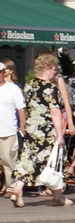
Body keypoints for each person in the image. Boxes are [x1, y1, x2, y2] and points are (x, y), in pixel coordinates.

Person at [8, 51, 73, 207]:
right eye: (54, 69)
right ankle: (58, 197)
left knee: (28, 159)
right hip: (45, 129)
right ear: (48, 68)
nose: (55, 72)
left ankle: (18, 188)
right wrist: (60, 135)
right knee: (55, 160)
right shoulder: (50, 87)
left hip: (31, 128)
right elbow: (55, 111)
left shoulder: (29, 85)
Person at [0, 58, 26, 198]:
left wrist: (22, 125)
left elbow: (21, 108)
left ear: (4, 73)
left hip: (8, 130)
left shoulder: (13, 89)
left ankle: (11, 188)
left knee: (8, 161)